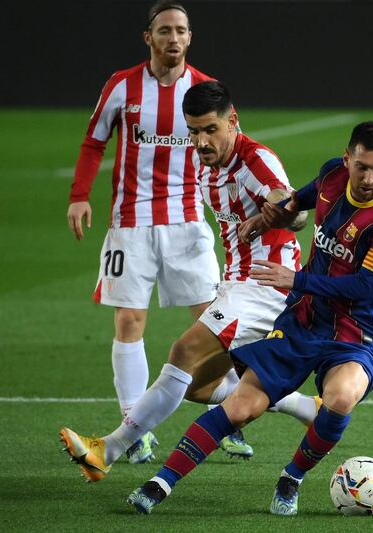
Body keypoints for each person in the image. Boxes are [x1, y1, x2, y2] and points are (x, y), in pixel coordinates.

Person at [125, 120, 373, 516]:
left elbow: (366, 287)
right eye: (361, 166)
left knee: (342, 396)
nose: (368, 178)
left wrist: (297, 278)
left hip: (355, 333)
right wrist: (269, 217)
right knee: (241, 406)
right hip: (303, 321)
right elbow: (301, 198)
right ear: (347, 159)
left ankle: (291, 478)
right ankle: (160, 484)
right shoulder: (333, 175)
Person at [60, 81, 322, 482]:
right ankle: (308, 409)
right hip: (236, 284)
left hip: (265, 286)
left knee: (183, 349)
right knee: (200, 387)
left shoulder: (256, 160)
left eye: (210, 129)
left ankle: (107, 450)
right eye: (194, 130)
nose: (201, 140)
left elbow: (295, 208)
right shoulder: (205, 162)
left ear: (232, 121)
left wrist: (281, 213)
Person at [64, 1, 256, 463]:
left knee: (216, 322)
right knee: (129, 322)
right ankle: (135, 433)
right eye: (166, 30)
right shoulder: (122, 85)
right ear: (147, 37)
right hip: (130, 224)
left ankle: (231, 415)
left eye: (182, 30)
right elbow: (94, 140)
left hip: (188, 222)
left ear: (190, 38)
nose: (175, 38)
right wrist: (79, 194)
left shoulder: (205, 92)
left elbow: (236, 147)